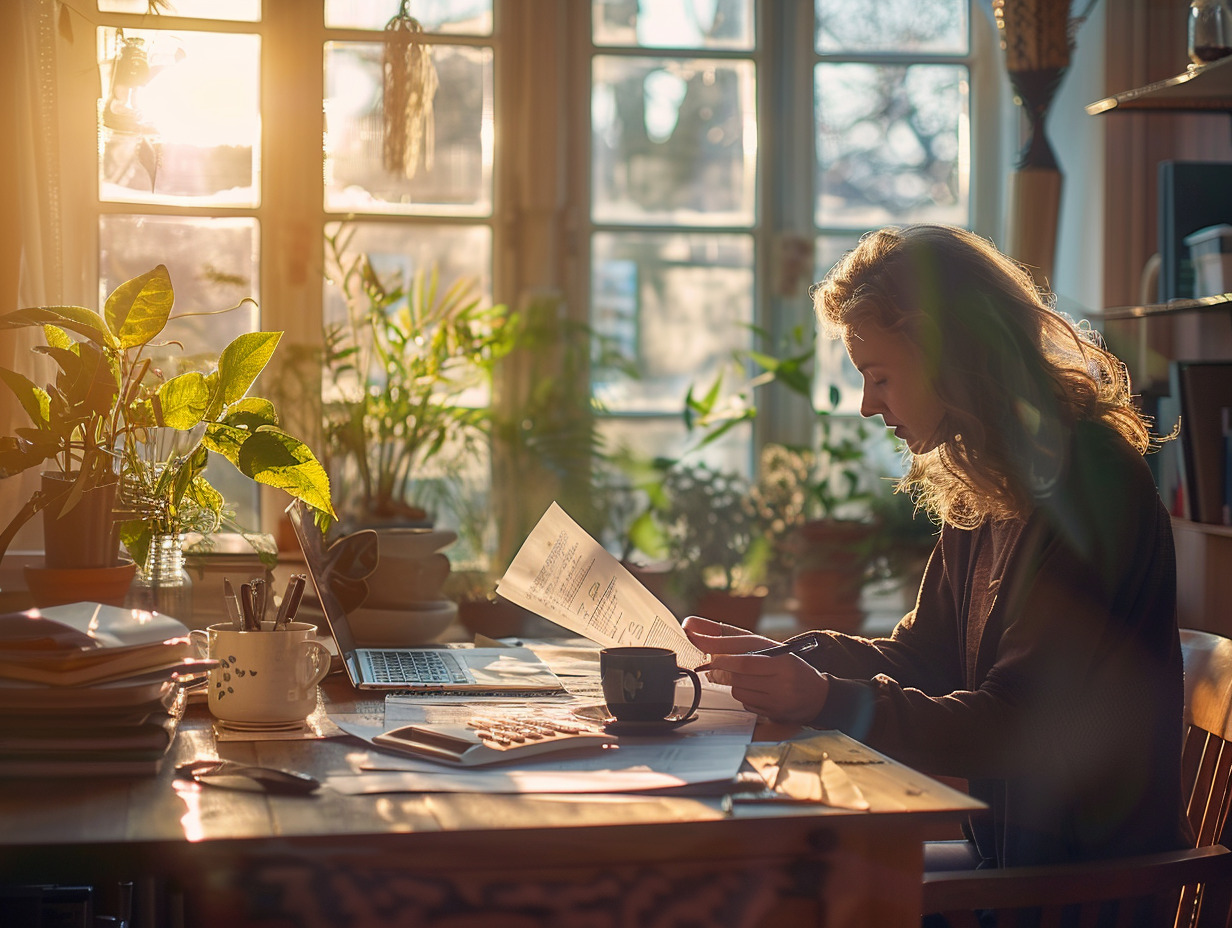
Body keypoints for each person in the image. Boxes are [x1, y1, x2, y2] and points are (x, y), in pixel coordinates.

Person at [683, 224, 1192, 870]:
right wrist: (789, 654)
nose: (867, 404)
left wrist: (821, 697)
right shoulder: (992, 475)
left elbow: (1013, 723)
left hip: (1075, 893)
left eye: (880, 376)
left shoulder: (1089, 480)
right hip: (1012, 868)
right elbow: (923, 656)